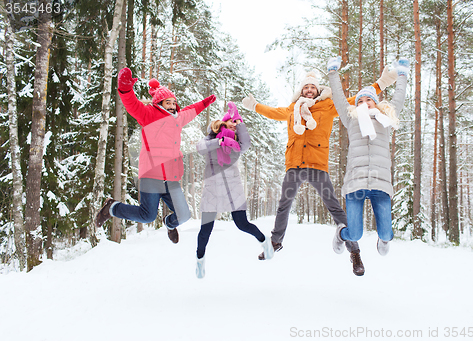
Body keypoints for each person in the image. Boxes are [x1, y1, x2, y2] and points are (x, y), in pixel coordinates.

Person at [241, 68, 397, 276]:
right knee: (283, 206)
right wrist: (255, 106)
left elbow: (355, 99)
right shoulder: (291, 109)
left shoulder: (328, 106)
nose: (309, 89)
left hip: (317, 166)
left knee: (335, 208)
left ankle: (354, 252)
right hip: (294, 166)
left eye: (312, 87)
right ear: (301, 91)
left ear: (318, 90)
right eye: (306, 87)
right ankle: (275, 242)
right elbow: (272, 112)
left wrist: (381, 83)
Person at [94, 67, 216, 244]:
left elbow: (192, 109)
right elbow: (132, 105)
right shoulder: (149, 115)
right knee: (147, 216)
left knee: (184, 215)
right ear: (159, 102)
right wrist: (126, 89)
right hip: (152, 175)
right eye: (168, 102)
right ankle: (112, 208)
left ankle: (169, 223)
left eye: (174, 103)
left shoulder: (178, 118)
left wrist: (205, 102)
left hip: (171, 178)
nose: (173, 106)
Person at [327, 56, 409, 256]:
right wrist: (333, 73)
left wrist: (402, 74)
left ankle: (384, 239)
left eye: (368, 100)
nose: (364, 103)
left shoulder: (385, 119)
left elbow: (399, 97)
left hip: (381, 183)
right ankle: (341, 234)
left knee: (387, 232)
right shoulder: (351, 119)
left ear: (376, 102)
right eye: (360, 101)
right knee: (354, 234)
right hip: (356, 183)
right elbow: (338, 98)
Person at [195, 102, 273, 278]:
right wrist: (220, 140)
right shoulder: (210, 138)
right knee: (206, 229)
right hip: (212, 189)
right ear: (223, 122)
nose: (233, 124)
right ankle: (200, 261)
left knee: (242, 224)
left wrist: (239, 124)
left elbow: (246, 143)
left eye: (236, 123)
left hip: (233, 187)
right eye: (231, 121)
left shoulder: (237, 144)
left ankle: (264, 242)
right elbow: (200, 147)